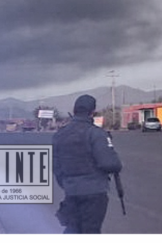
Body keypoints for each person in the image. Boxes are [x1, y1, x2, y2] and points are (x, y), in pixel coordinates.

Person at [53, 94, 122, 233]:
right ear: (92, 112)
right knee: (90, 231)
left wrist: (68, 184)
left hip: (71, 191)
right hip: (94, 192)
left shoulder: (60, 134)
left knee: (73, 230)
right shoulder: (96, 133)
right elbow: (110, 164)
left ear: (74, 111)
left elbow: (56, 166)